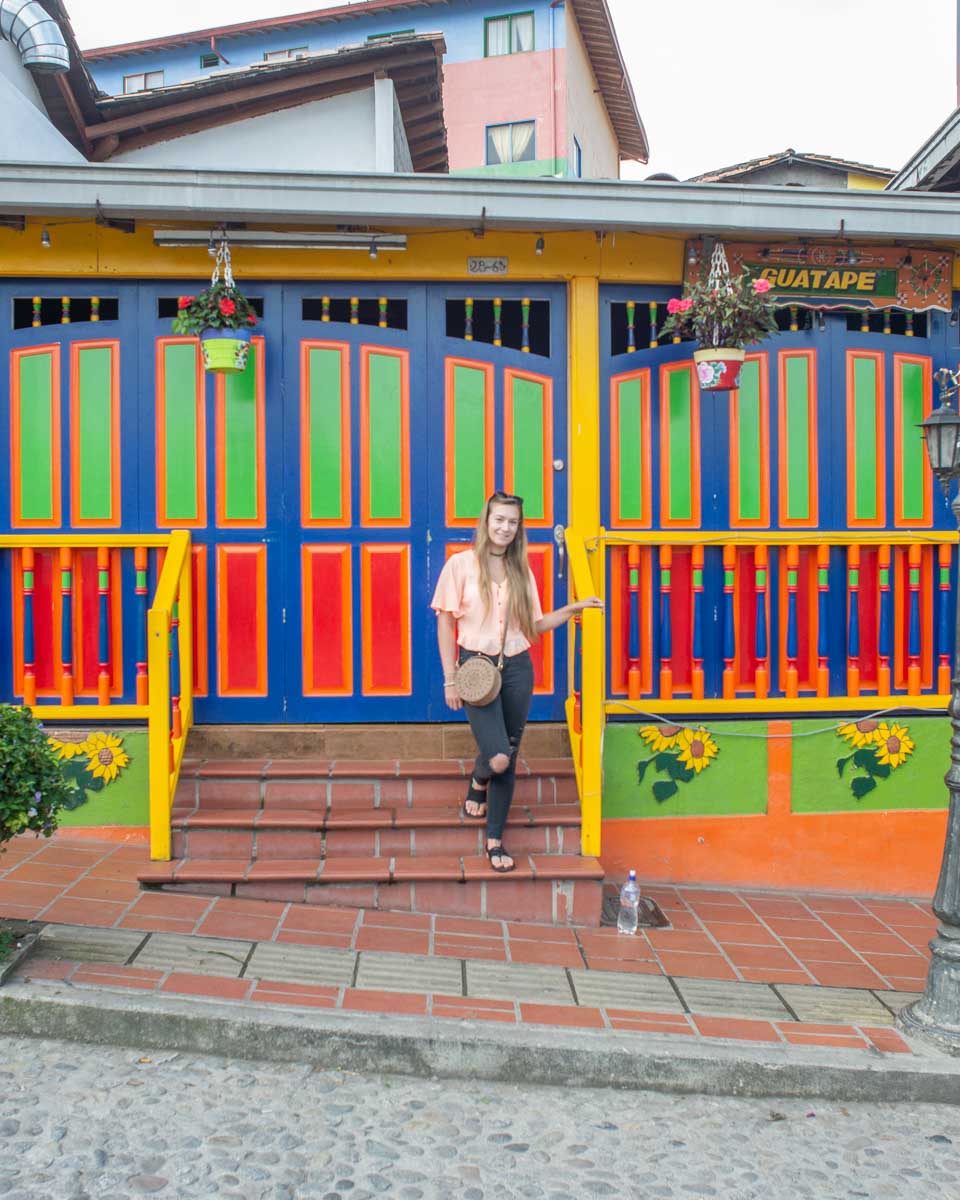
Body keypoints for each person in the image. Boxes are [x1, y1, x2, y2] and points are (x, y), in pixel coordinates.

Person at [431, 492, 603, 873]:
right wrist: (449, 679)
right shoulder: (459, 565)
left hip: (517, 669)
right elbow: (445, 621)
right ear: (486, 520)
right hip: (475, 670)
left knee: (508, 750)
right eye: (499, 519)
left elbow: (533, 626)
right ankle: (479, 776)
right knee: (497, 755)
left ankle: (495, 840)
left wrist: (571, 609)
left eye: (512, 522)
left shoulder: (521, 571)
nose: (505, 527)